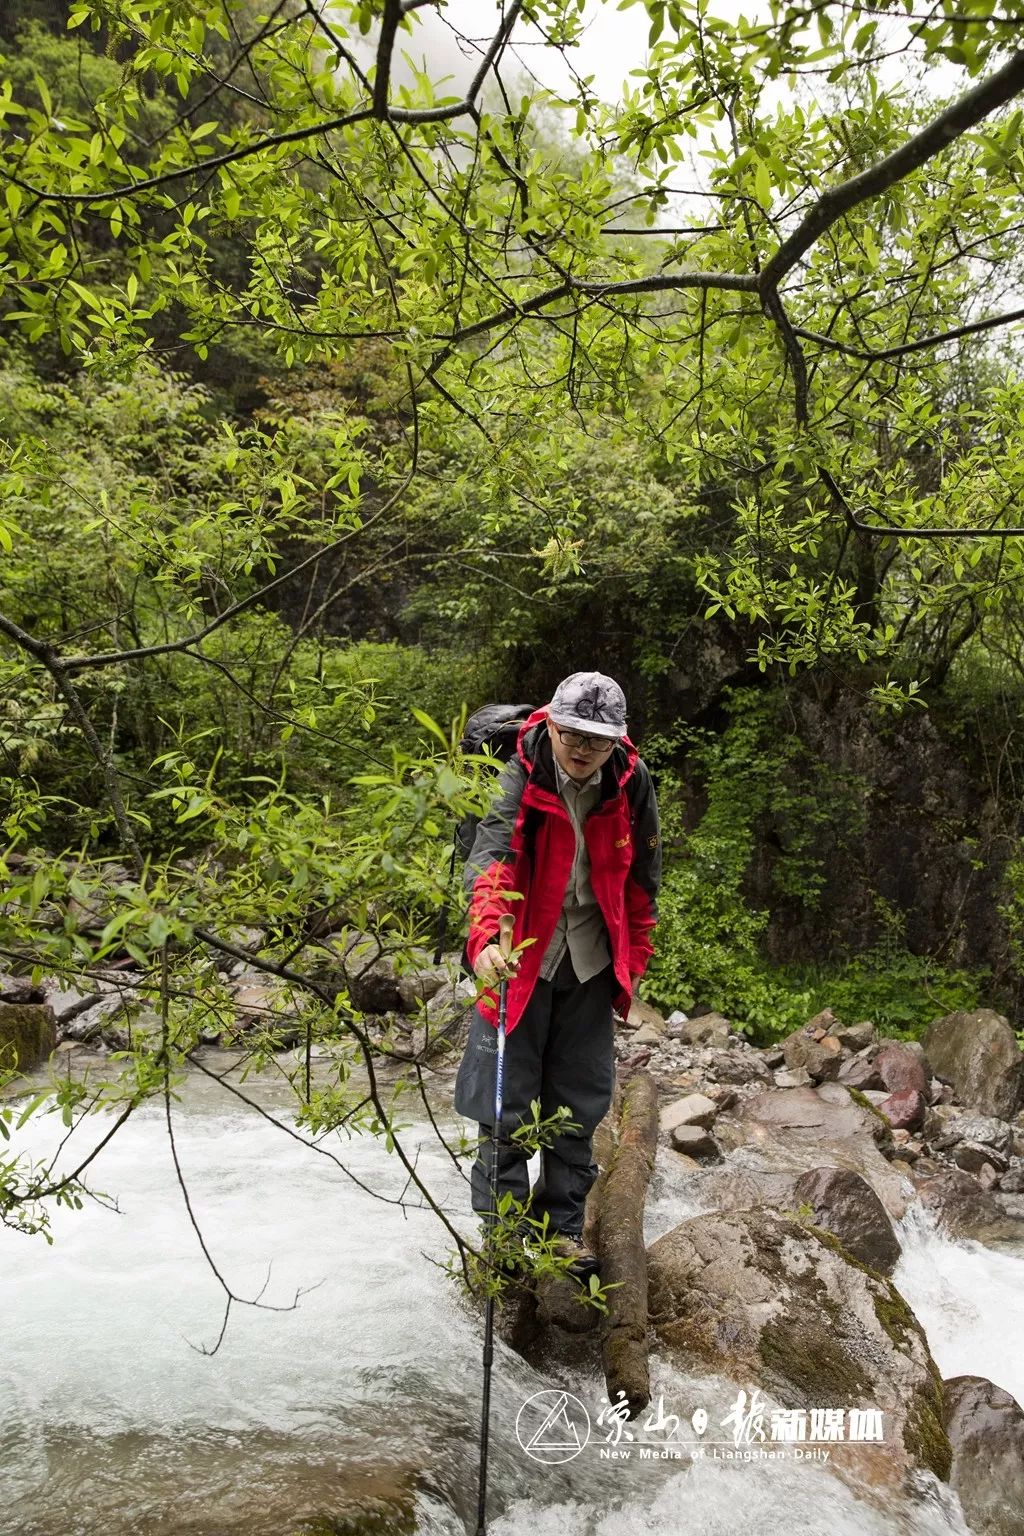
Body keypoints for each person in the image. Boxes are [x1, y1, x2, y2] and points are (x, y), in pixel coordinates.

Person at [454, 671, 661, 1273]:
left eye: (596, 740)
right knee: (505, 1104)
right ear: (552, 723)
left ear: (617, 741)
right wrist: (486, 937)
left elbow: (643, 874)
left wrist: (636, 958)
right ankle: (502, 1235)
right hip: (518, 957)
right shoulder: (519, 769)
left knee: (580, 1103)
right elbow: (490, 856)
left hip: (592, 959)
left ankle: (560, 1233)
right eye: (572, 733)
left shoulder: (629, 780)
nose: (581, 748)